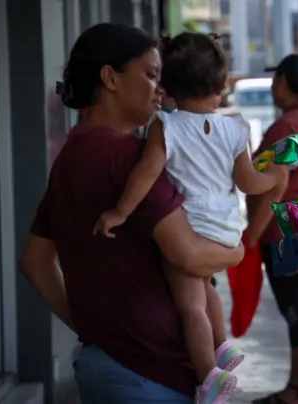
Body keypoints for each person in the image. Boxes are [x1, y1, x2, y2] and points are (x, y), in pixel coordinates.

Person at [18, 23, 254, 403]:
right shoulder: (130, 158)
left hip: (106, 367)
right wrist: (239, 251)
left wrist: (95, 331)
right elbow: (188, 254)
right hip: (149, 374)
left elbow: (34, 263)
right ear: (111, 78)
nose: (160, 89)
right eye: (150, 75)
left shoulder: (71, 155)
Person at [91, 32, 286, 403]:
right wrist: (275, 177)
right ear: (220, 83)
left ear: (166, 84)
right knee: (205, 285)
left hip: (191, 225)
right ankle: (221, 346)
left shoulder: (167, 126)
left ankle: (207, 377)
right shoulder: (236, 127)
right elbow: (247, 181)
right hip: (226, 228)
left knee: (190, 305)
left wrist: (119, 212)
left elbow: (146, 173)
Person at [244, 54, 298, 404]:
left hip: (285, 228)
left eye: (274, 80)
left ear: (282, 83)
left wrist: (251, 235)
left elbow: (275, 185)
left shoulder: (290, 126)